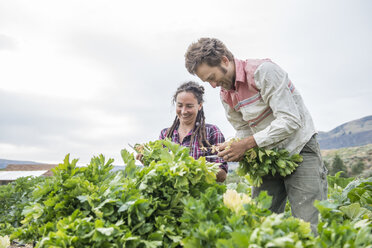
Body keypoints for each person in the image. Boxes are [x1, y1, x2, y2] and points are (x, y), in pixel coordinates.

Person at [184, 37, 328, 233]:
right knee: (260, 222)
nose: (213, 85)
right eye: (207, 81)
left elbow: (290, 120)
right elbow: (243, 128)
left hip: (299, 149)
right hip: (268, 157)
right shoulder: (226, 94)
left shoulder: (264, 72)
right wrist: (232, 145)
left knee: (309, 225)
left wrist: (247, 144)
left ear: (224, 61)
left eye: (212, 77)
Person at [137, 81, 228, 182]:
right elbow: (161, 171)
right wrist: (149, 162)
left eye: (189, 106)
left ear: (200, 105)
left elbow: (222, 175)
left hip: (200, 195)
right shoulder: (166, 134)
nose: (184, 111)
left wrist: (191, 169)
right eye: (180, 105)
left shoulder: (211, 132)